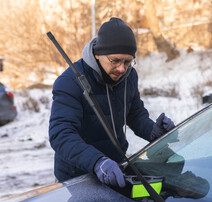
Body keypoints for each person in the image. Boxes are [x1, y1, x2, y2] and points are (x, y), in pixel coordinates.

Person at [49, 17, 175, 188]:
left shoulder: (129, 76)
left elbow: (135, 115)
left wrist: (153, 131)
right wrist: (97, 161)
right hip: (77, 177)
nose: (122, 69)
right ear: (97, 54)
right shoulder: (70, 82)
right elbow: (61, 135)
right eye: (115, 61)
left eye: (127, 61)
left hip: (115, 169)